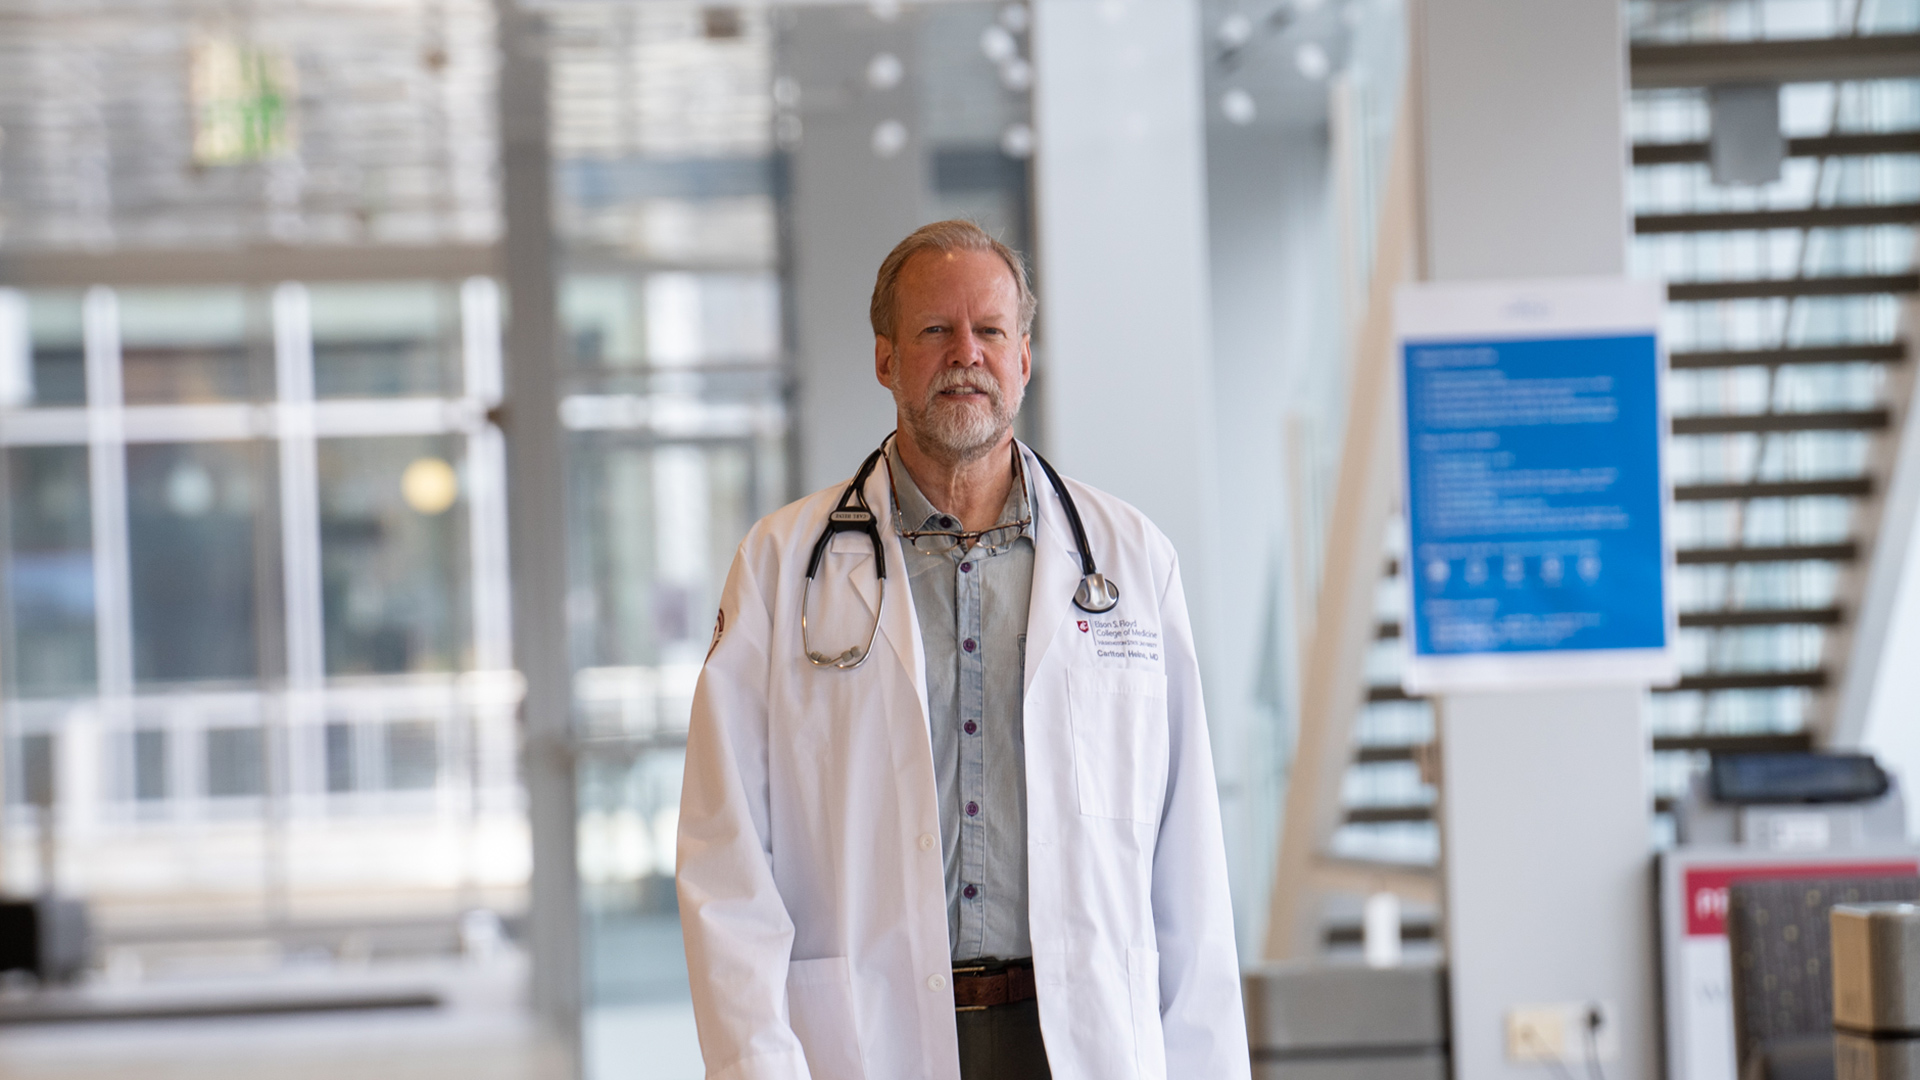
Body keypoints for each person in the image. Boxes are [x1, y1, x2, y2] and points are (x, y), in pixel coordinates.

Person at [677, 220, 1248, 1080]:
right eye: (935, 331)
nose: (966, 354)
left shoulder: (1128, 559)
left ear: (1023, 356)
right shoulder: (780, 564)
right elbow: (725, 853)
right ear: (885, 358)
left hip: (1080, 1034)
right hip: (870, 1037)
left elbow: (1188, 859)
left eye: (990, 331)